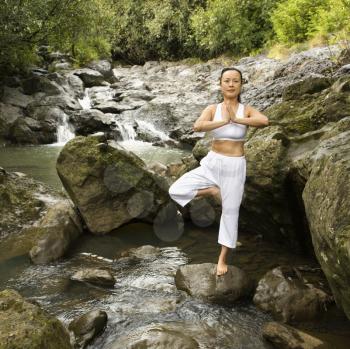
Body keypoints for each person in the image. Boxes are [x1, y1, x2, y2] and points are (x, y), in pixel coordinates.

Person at [168, 67, 269, 276]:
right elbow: (198, 126)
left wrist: (237, 119)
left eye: (235, 81)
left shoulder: (246, 109)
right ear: (220, 84)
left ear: (241, 85)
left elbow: (264, 121)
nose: (231, 84)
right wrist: (224, 120)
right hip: (212, 163)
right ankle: (213, 191)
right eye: (227, 80)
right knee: (175, 189)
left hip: (234, 166)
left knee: (230, 212)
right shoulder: (213, 108)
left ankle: (222, 258)